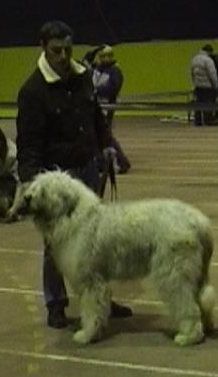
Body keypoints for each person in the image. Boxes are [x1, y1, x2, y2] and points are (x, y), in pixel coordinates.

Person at [16, 20, 132, 328]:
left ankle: (100, 297)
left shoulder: (82, 78)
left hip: (89, 169)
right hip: (55, 181)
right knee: (55, 245)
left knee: (97, 240)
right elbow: (28, 142)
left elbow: (95, 117)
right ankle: (56, 302)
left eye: (68, 49)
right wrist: (29, 182)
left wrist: (108, 148)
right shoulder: (32, 91)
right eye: (56, 50)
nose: (63, 56)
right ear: (43, 47)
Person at [82, 44, 131, 174]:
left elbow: (112, 89)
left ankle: (121, 162)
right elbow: (84, 63)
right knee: (96, 136)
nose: (105, 59)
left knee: (105, 136)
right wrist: (95, 50)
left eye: (107, 56)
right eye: (102, 56)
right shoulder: (97, 69)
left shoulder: (115, 71)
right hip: (94, 107)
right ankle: (101, 162)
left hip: (105, 108)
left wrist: (95, 91)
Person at [190, 44, 218, 126]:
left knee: (198, 104)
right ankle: (208, 120)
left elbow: (192, 73)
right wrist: (216, 85)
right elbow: (212, 74)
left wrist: (194, 83)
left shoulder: (194, 59)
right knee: (208, 104)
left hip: (198, 86)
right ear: (209, 51)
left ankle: (198, 121)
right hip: (207, 86)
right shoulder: (208, 60)